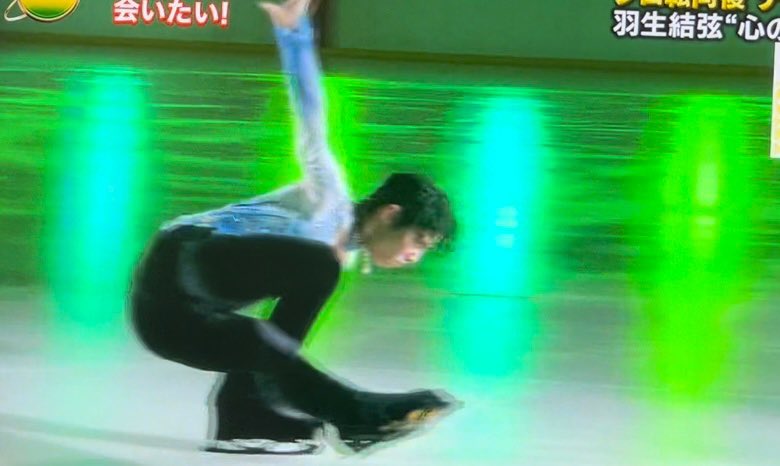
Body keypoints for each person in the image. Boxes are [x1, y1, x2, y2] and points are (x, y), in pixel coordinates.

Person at [129, 0, 458, 456]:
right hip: (179, 262)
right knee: (320, 267)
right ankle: (358, 416)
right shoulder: (330, 199)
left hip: (168, 322)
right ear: (388, 214)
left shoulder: (334, 259)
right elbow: (311, 115)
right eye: (417, 241)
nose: (413, 257)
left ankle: (244, 421)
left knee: (260, 342)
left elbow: (279, 346)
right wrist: (294, 32)